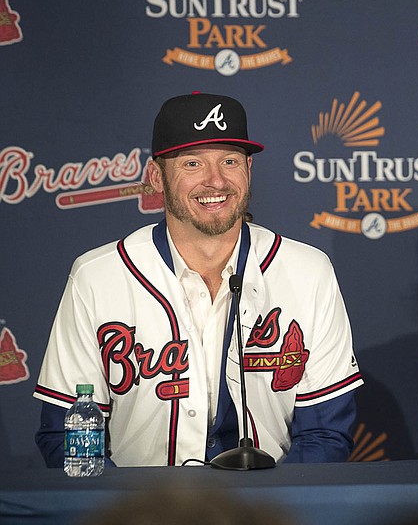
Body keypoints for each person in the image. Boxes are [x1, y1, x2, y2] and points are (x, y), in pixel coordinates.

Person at [34, 92, 363, 466]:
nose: (216, 181)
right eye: (192, 163)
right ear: (156, 176)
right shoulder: (98, 276)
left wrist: (272, 512)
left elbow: (324, 432)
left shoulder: (308, 271)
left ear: (249, 170)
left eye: (230, 161)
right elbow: (68, 432)